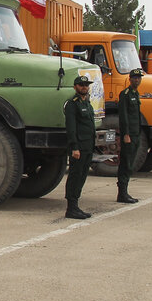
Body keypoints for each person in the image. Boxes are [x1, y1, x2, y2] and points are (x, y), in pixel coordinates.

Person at [63, 74, 95, 219]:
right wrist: (74, 147)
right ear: (75, 87)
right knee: (75, 176)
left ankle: (76, 205)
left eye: (86, 85)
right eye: (82, 85)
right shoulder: (72, 104)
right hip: (79, 147)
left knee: (82, 176)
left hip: (88, 145)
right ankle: (71, 207)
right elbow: (71, 128)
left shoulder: (87, 103)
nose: (84, 87)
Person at [116, 68, 143, 203]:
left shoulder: (135, 94)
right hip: (129, 135)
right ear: (130, 79)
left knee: (131, 163)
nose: (137, 80)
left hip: (136, 133)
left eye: (139, 78)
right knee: (126, 163)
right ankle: (122, 193)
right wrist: (126, 134)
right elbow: (124, 116)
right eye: (134, 78)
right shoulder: (125, 94)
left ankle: (125, 191)